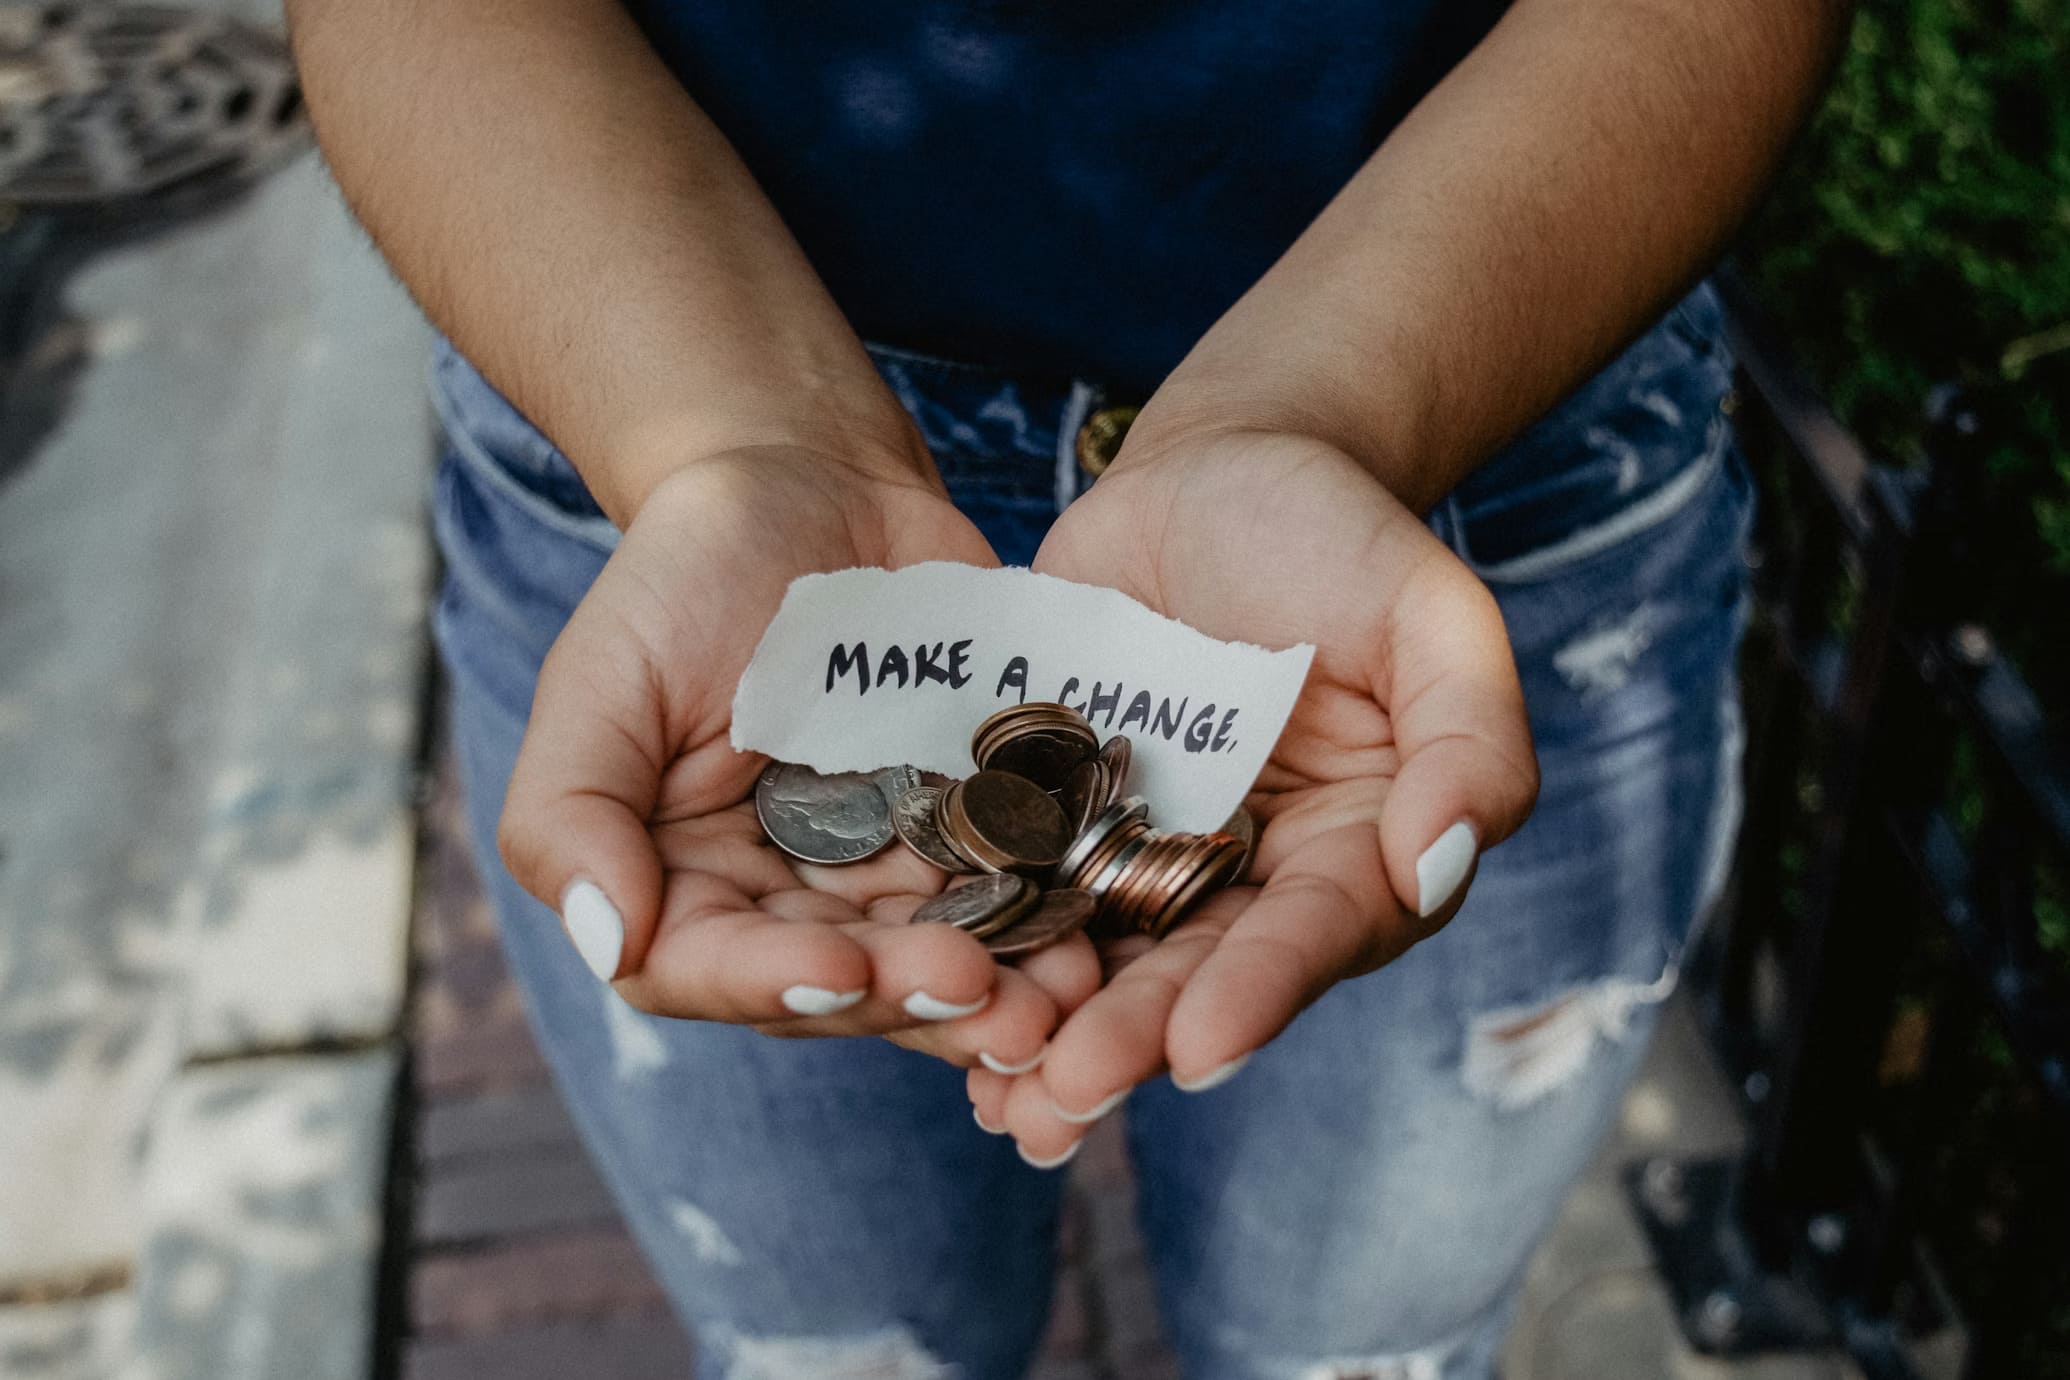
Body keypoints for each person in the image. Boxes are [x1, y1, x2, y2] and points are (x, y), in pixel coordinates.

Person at [289, 2, 1849, 1375]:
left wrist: (1313, 417)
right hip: (656, 449)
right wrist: (727, 451)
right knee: (832, 1361)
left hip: (1479, 425)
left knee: (1361, 1364)